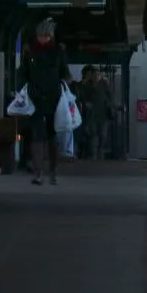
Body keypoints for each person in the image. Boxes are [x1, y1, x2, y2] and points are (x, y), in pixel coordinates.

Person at [18, 18, 71, 185]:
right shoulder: (30, 53)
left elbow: (65, 73)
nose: (41, 38)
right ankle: (38, 173)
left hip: (54, 99)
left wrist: (63, 87)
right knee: (37, 137)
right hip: (35, 98)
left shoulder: (58, 52)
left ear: (50, 36)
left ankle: (53, 172)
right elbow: (23, 74)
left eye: (45, 35)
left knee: (51, 136)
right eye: (40, 35)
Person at [81, 66, 114, 160]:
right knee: (93, 135)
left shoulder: (104, 84)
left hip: (103, 114)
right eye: (94, 74)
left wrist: (108, 103)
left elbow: (110, 96)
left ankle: (100, 155)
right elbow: (83, 96)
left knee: (102, 135)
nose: (96, 76)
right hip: (92, 115)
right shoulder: (88, 85)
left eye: (97, 74)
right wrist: (86, 103)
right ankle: (94, 156)